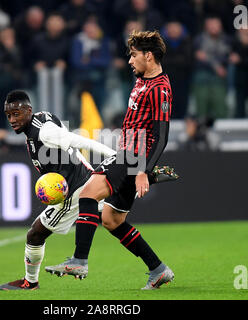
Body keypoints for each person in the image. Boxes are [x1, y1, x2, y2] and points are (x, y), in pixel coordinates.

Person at [0, 89, 178, 290]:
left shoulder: (44, 132)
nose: (12, 120)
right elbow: (68, 146)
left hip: (72, 192)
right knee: (113, 222)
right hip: (85, 179)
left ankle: (30, 282)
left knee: (35, 234)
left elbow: (81, 142)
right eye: (9, 116)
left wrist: (129, 164)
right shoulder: (42, 119)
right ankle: (158, 268)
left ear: (28, 110)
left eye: (16, 114)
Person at [46, 30, 175, 290]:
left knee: (87, 195)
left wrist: (142, 171)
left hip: (133, 156)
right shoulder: (142, 80)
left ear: (148, 56)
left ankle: (79, 260)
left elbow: (162, 137)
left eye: (134, 55)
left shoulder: (160, 89)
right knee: (111, 220)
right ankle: (158, 269)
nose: (129, 60)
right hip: (128, 154)